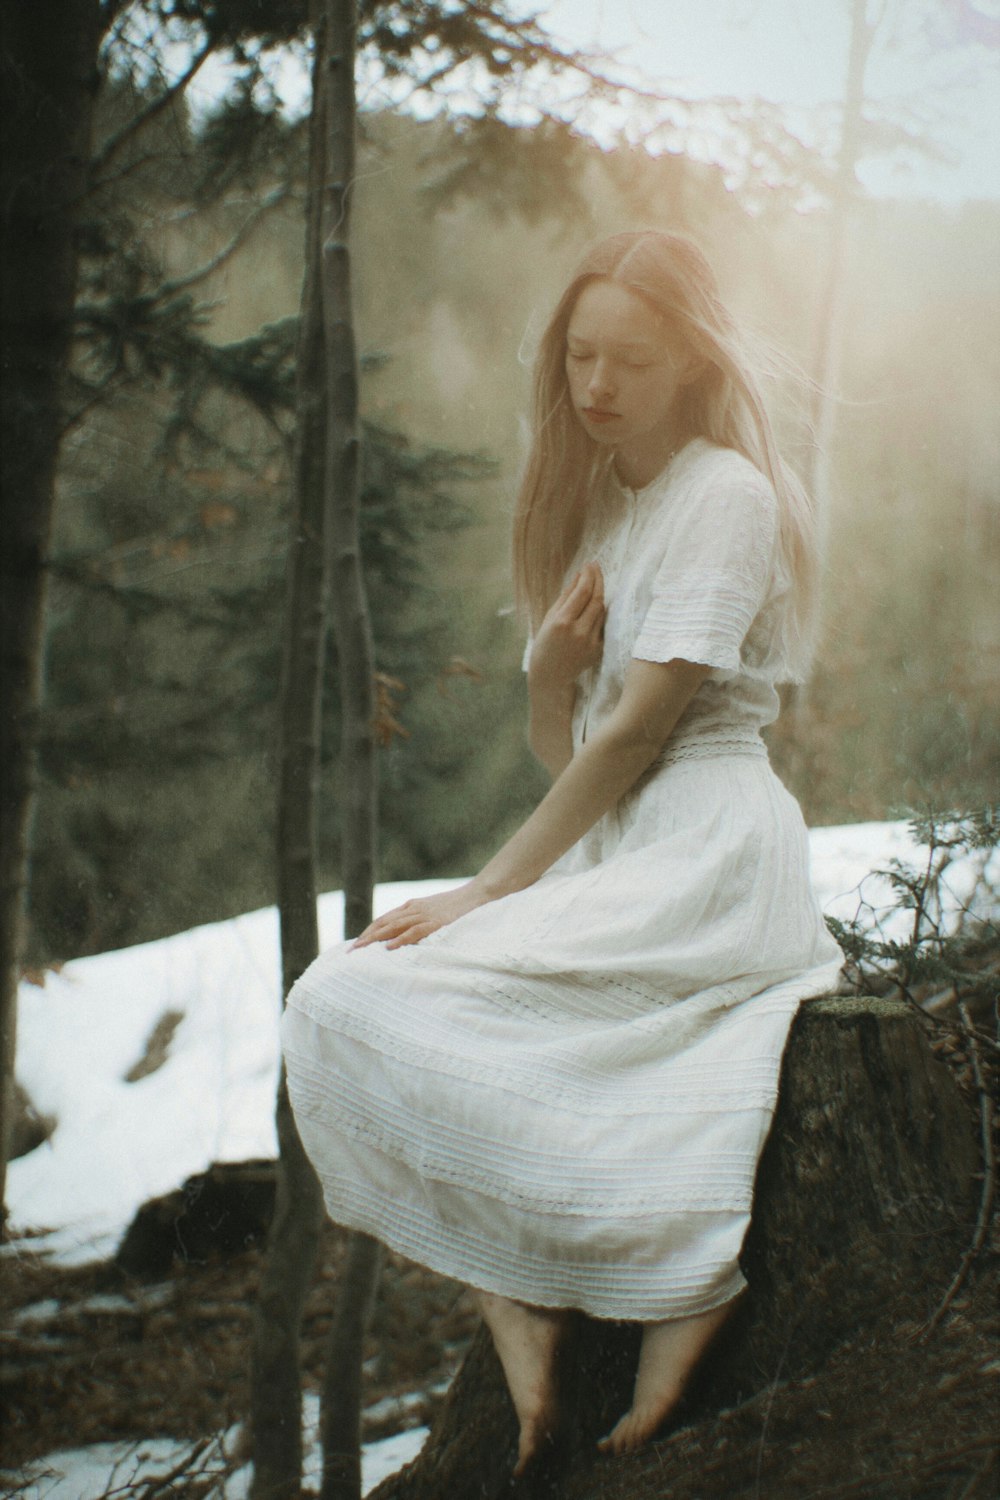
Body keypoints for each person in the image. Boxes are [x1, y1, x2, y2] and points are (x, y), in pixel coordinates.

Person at [281, 229, 843, 1475]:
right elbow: (576, 745)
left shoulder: (726, 496)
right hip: (623, 846)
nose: (596, 384)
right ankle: (516, 1297)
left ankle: (685, 1283)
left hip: (706, 846)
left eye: (629, 360)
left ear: (692, 363)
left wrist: (488, 890)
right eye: (580, 354)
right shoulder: (603, 503)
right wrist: (547, 675)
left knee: (389, 991)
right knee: (336, 1001)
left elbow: (644, 732)